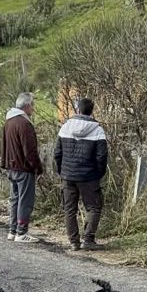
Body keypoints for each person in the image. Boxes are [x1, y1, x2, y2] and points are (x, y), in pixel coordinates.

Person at [54, 97, 108, 251]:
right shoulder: (97, 130)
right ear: (92, 111)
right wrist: (98, 173)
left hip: (68, 175)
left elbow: (57, 152)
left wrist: (62, 171)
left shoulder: (65, 127)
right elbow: (101, 156)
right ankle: (88, 239)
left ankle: (73, 242)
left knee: (69, 209)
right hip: (89, 176)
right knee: (94, 207)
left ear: (77, 109)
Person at [0, 92, 44, 244]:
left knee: (15, 200)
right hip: (23, 167)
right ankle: (22, 232)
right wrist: (38, 168)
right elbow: (29, 150)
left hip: (10, 167)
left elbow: (4, 145)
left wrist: (4, 164)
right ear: (27, 106)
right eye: (33, 105)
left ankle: (12, 231)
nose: (33, 108)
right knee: (25, 201)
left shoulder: (9, 122)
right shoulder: (24, 124)